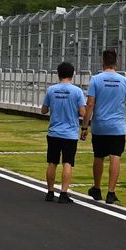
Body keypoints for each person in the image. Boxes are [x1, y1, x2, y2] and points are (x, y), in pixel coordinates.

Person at [83, 49, 126, 204]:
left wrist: (84, 127)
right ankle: (111, 192)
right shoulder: (124, 81)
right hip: (117, 126)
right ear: (117, 63)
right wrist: (122, 106)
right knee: (116, 156)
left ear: (103, 62)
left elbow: (90, 104)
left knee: (98, 156)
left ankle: (96, 187)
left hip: (100, 125)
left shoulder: (96, 79)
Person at [42, 61, 86, 204]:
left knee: (52, 162)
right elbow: (82, 112)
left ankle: (50, 191)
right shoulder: (77, 91)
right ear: (72, 75)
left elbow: (44, 110)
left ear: (58, 74)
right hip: (70, 133)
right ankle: (64, 193)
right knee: (67, 162)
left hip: (54, 131)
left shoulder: (51, 90)